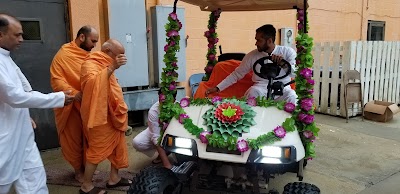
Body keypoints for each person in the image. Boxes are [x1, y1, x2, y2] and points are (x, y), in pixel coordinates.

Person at [0, 14, 74, 194]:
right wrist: (57, 98)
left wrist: (26, 115)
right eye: (16, 35)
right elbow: (14, 96)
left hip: (22, 131)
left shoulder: (6, 58)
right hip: (5, 134)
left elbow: (24, 89)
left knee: (34, 178)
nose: (21, 39)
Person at [79, 39, 131, 194]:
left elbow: (107, 83)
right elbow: (91, 85)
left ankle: (114, 178)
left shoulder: (105, 63)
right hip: (99, 116)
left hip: (113, 115)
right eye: (118, 55)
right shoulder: (89, 64)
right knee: (96, 150)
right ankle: (86, 186)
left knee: (117, 146)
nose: (120, 57)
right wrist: (112, 67)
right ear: (108, 52)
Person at [50, 25, 99, 183]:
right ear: (82, 37)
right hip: (70, 105)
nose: (94, 45)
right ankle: (78, 171)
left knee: (89, 138)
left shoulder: (90, 56)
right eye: (93, 41)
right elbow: (57, 80)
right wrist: (73, 93)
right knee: (74, 139)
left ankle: (88, 169)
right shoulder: (63, 55)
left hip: (88, 104)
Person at [206, 24, 298, 104]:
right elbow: (237, 74)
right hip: (261, 89)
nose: (256, 43)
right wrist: (218, 88)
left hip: (282, 88)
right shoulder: (252, 55)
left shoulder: (288, 52)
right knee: (253, 92)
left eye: (259, 40)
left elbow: (295, 74)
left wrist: (283, 64)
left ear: (269, 41)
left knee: (292, 96)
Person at [132, 91, 175, 169]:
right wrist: (167, 165)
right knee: (137, 142)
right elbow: (156, 136)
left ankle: (168, 152)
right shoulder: (153, 111)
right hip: (158, 131)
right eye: (161, 100)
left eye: (167, 101)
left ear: (174, 100)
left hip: (174, 133)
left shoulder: (180, 106)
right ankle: (162, 155)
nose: (164, 104)